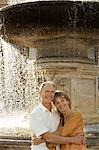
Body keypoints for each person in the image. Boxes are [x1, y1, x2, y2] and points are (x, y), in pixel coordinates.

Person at [30, 81, 85, 150]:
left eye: (52, 92)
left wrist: (42, 140)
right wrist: (74, 139)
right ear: (40, 93)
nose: (49, 94)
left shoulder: (57, 113)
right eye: (47, 91)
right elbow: (49, 137)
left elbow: (62, 131)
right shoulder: (35, 114)